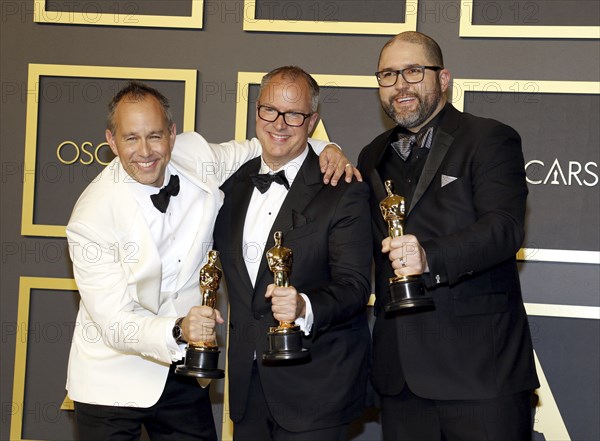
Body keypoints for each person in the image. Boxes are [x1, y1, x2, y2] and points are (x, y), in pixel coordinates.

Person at [65, 81, 355, 440]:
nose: (146, 152)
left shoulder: (195, 155)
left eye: (155, 136)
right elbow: (114, 323)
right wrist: (178, 329)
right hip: (112, 381)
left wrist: (328, 148)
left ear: (173, 134)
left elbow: (270, 142)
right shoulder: (90, 218)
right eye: (131, 138)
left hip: (186, 369)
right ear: (111, 141)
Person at [357, 32, 540, 440]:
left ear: (443, 79)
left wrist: (429, 258)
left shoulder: (489, 138)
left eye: (413, 71)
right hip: (401, 377)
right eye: (388, 74)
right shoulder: (372, 154)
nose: (400, 84)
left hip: (479, 373)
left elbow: (504, 227)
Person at [213, 66, 373, 440]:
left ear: (312, 121)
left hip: (316, 389)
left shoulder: (343, 187)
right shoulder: (230, 185)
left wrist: (304, 306)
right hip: (248, 387)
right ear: (256, 112)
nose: (280, 124)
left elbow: (354, 286)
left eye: (295, 115)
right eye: (270, 110)